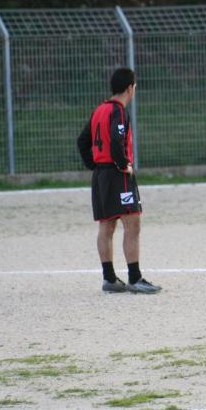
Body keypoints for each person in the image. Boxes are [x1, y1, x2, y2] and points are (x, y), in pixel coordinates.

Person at [77, 68, 161, 294]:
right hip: (117, 174)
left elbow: (82, 141)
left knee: (106, 225)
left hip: (101, 175)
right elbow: (116, 140)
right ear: (130, 88)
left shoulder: (99, 110)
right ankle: (135, 278)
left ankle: (109, 278)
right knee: (132, 222)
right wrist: (123, 165)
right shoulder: (118, 112)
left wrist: (95, 165)